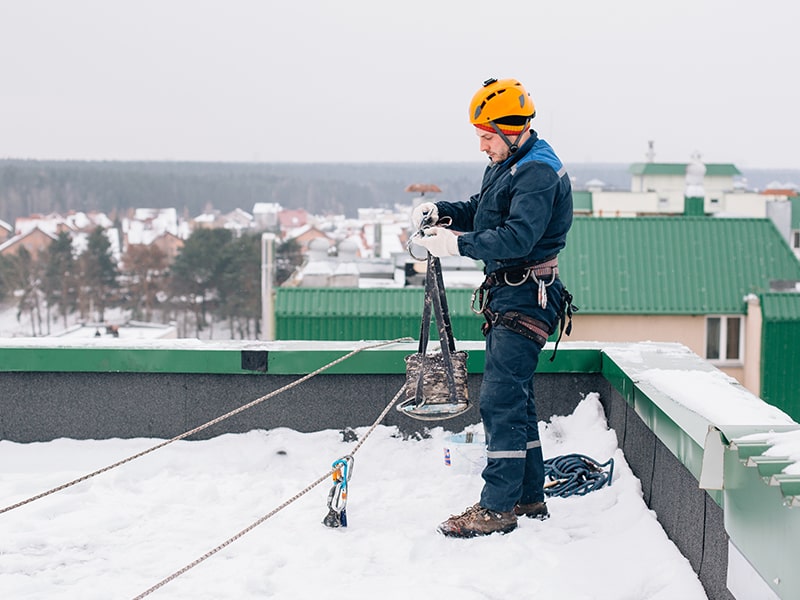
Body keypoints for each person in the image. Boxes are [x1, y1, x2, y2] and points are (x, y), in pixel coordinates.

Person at [412, 77, 575, 538]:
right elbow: (485, 210)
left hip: (527, 296)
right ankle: (527, 497)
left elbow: (518, 237)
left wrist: (455, 244)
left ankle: (497, 508)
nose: (482, 146)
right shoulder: (514, 162)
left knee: (500, 400)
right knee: (516, 401)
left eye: (487, 136)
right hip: (512, 293)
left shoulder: (538, 173)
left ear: (512, 129)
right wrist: (442, 213)